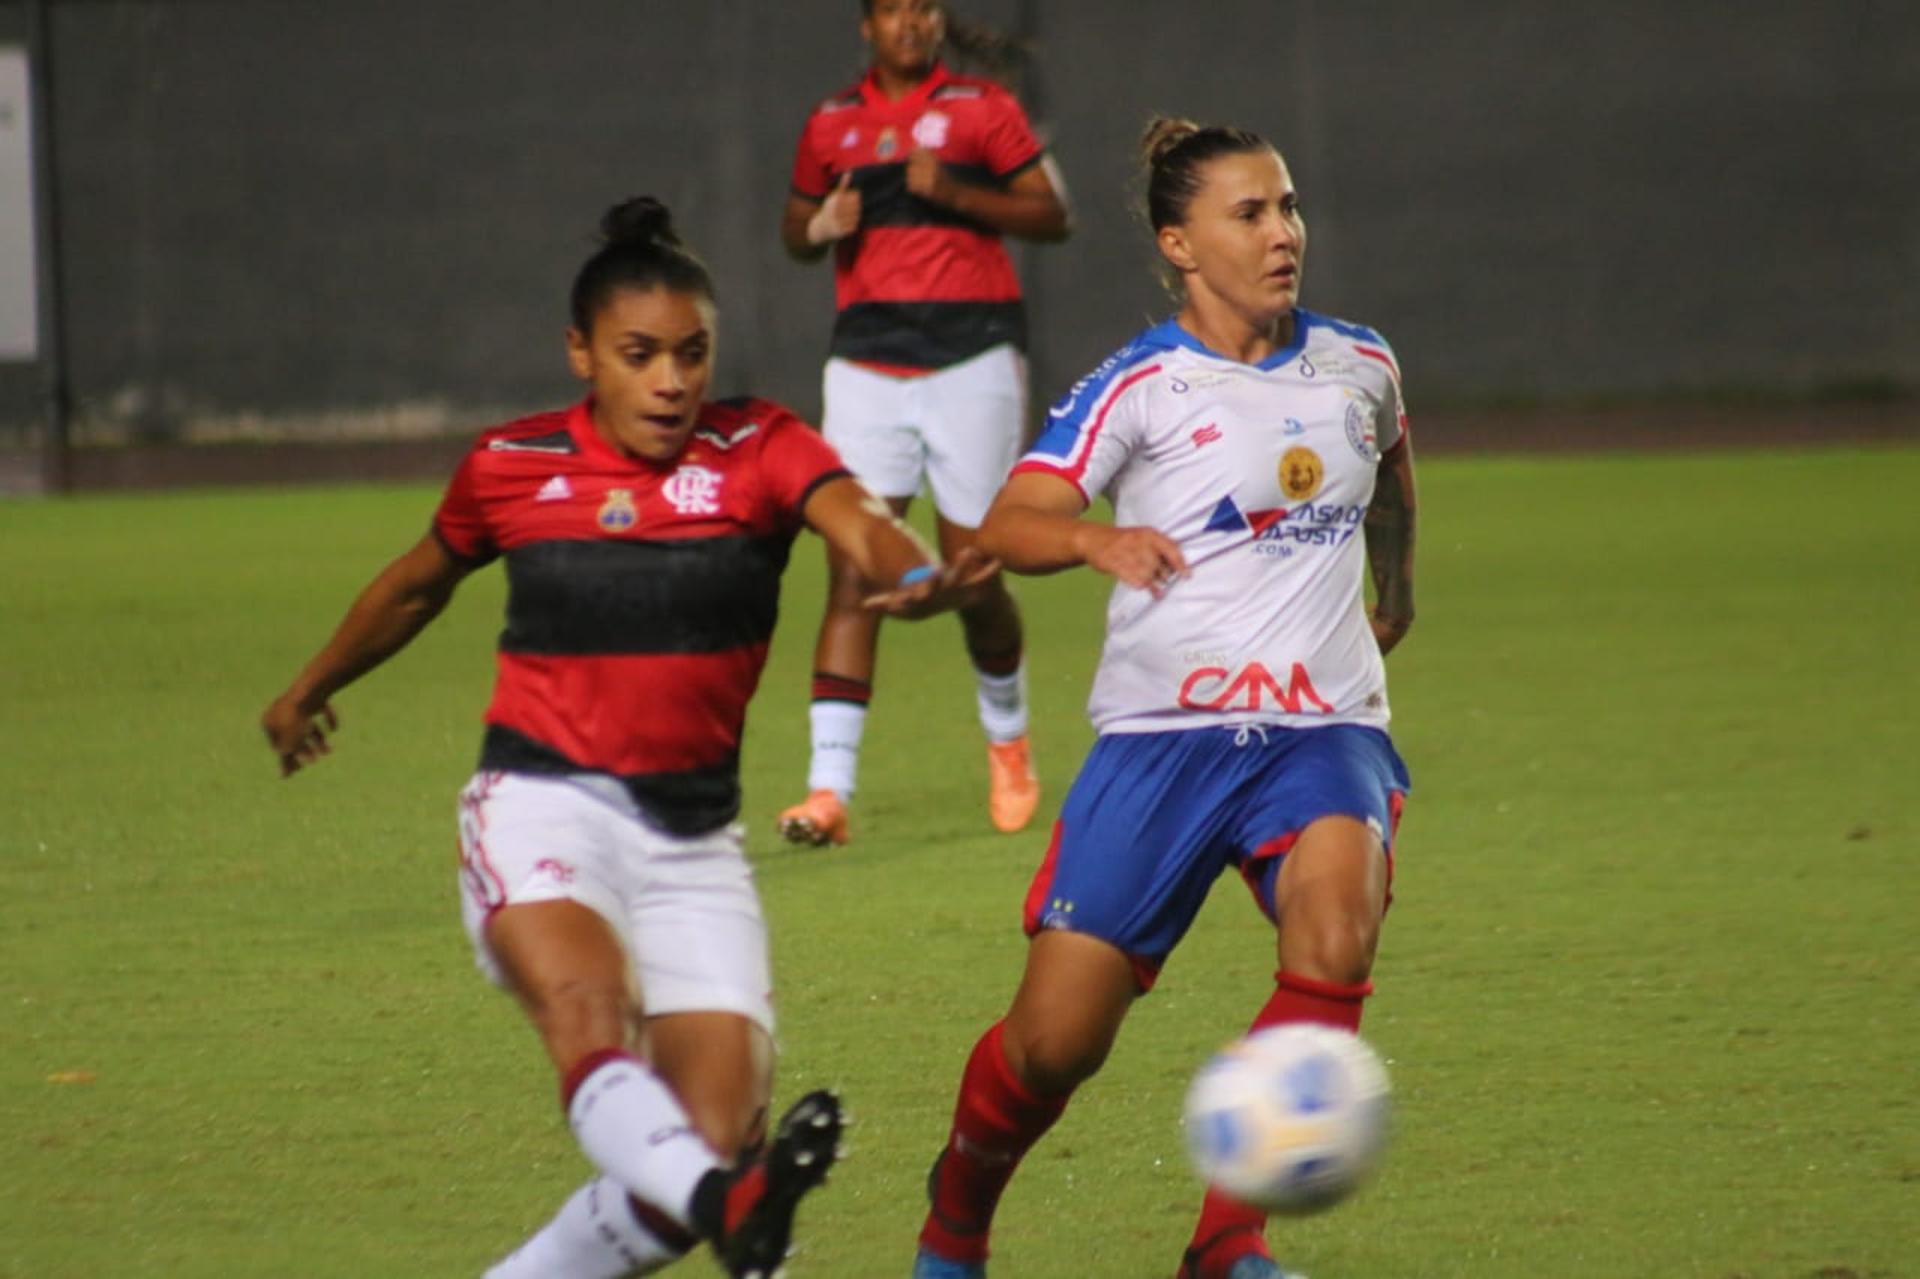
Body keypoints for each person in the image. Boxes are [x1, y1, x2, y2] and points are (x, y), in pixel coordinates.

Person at [261, 196, 991, 1279]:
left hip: (694, 847)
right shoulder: (511, 463)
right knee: (590, 1014)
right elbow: (420, 585)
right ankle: (730, 1196)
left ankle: (716, 1193)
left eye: (692, 355)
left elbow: (862, 529)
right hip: (539, 803)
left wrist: (922, 580)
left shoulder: (763, 446)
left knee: (688, 1162)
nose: (671, 381)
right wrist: (308, 687)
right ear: (582, 353)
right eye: (640, 355)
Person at [906, 117, 1419, 1279]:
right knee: (1051, 1047)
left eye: (1288, 207)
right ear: (1180, 244)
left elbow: (1391, 471)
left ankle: (1225, 1245)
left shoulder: (1362, 363)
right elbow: (1009, 524)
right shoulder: (1139, 383)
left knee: (1339, 927)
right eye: (1250, 213)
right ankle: (955, 1225)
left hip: (1320, 727)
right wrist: (1096, 540)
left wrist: (1397, 592)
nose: (1283, 233)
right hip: (1161, 742)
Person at [776, 0, 1072, 847]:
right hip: (867, 363)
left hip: (971, 358)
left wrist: (958, 191)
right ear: (865, 25)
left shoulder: (983, 109)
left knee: (977, 569)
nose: (911, 22)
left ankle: (1008, 738)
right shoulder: (832, 121)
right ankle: (826, 793)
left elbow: (1053, 215)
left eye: (925, 7)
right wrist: (821, 226)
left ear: (939, 21)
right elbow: (796, 228)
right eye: (894, 9)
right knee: (854, 570)